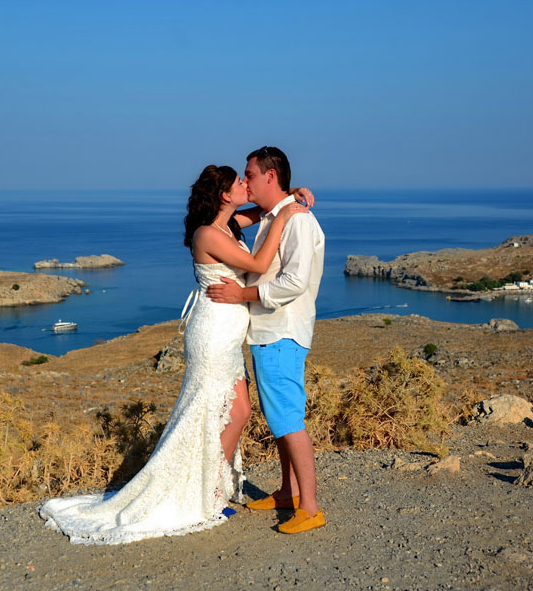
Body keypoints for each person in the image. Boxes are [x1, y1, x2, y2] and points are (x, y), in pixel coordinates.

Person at [38, 164, 309, 545]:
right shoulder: (207, 234)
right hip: (212, 333)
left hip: (228, 336)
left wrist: (286, 196)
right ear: (224, 195)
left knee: (236, 412)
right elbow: (260, 264)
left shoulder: (229, 225)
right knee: (215, 410)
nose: (246, 184)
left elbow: (262, 211)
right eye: (239, 182)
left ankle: (211, 490)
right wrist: (285, 216)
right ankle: (205, 496)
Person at [206, 146, 326, 534]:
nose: (246, 181)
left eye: (250, 174)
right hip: (269, 332)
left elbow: (294, 281)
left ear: (270, 176)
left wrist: (240, 295)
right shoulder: (276, 216)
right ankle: (289, 492)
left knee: (288, 419)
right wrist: (291, 195)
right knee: (279, 419)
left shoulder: (298, 221)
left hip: (281, 331)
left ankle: (310, 508)